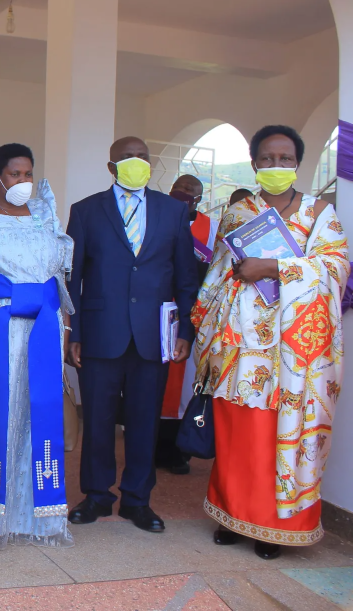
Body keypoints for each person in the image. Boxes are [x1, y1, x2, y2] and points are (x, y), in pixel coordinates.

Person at [193, 125, 348, 559]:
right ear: (254, 162)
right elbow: (216, 275)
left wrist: (273, 268)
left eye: (285, 159)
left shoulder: (320, 214)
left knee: (274, 437)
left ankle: (271, 528)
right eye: (267, 158)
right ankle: (230, 516)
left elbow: (335, 268)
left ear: (298, 163)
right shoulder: (238, 212)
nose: (276, 165)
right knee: (237, 436)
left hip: (292, 354)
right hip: (240, 348)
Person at [66, 136, 199, 533]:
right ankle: (96, 496)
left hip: (154, 335)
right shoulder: (86, 210)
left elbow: (186, 277)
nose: (136, 162)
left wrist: (186, 330)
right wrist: (73, 331)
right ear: (111, 167)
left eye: (142, 156)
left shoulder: (173, 211)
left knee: (144, 421)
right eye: (127, 157)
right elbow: (73, 278)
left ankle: (138, 500)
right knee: (98, 419)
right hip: (100, 332)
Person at [0, 143, 74, 548]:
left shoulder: (43, 212)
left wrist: (65, 322)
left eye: (28, 174)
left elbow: (58, 274)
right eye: (15, 174)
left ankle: (34, 513)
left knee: (37, 409)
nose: (23, 181)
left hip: (43, 324)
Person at [156, 174, 216, 475]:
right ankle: (150, 445)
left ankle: (179, 450)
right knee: (154, 380)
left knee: (184, 386)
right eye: (179, 189)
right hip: (156, 310)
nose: (184, 194)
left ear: (199, 199)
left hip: (191, 312)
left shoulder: (211, 228)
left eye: (191, 192)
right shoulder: (157, 217)